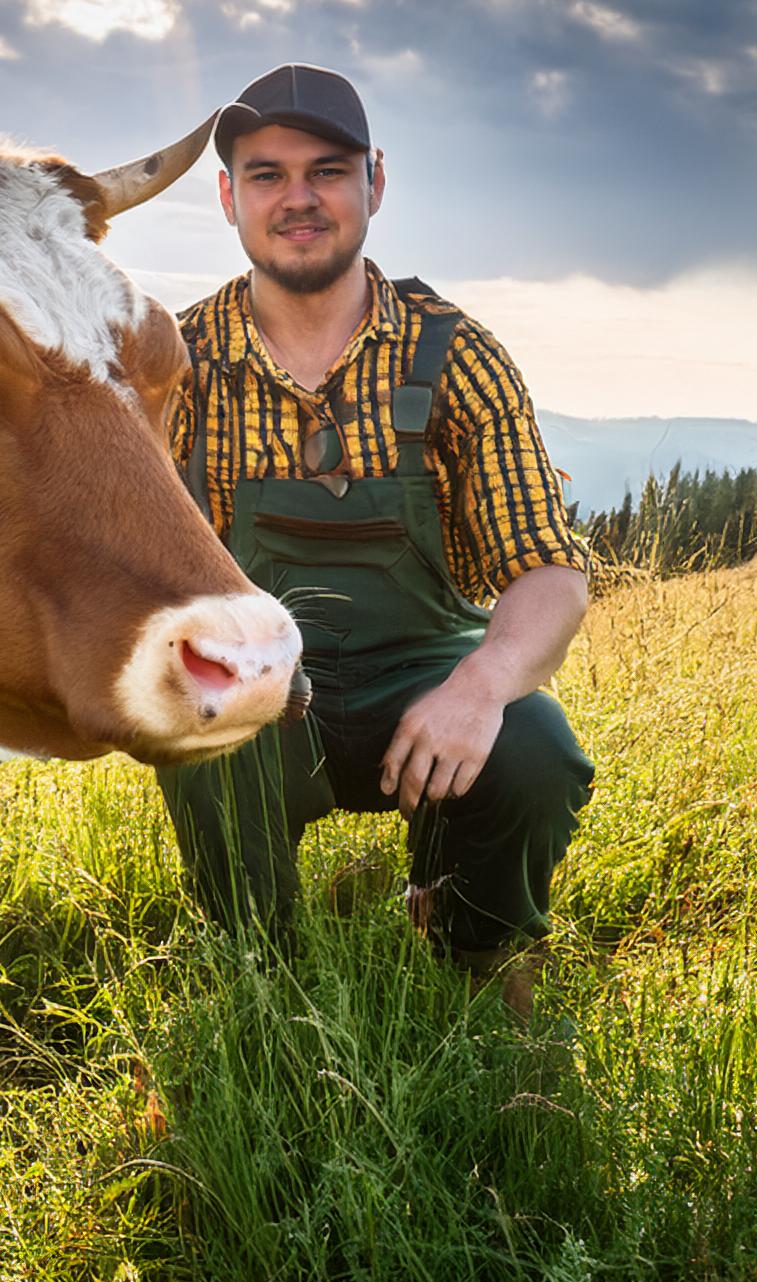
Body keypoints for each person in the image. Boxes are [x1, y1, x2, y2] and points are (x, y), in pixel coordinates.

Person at [158, 63, 594, 1015]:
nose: (298, 198)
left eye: (327, 169)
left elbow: (551, 571)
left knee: (535, 747)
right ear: (229, 197)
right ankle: (258, 986)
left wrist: (479, 690)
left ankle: (475, 954)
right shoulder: (179, 365)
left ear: (375, 183)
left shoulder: (454, 353)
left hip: (425, 676)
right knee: (201, 731)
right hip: (263, 687)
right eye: (266, 174)